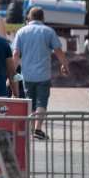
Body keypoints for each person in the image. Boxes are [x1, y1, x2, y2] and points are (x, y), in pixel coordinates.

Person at [12, 7, 70, 140]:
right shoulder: (48, 31)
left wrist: (12, 72)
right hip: (44, 74)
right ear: (43, 18)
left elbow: (16, 54)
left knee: (30, 102)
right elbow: (58, 51)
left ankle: (32, 130)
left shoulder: (21, 32)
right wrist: (64, 65)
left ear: (29, 18)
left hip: (27, 74)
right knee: (41, 102)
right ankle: (38, 130)